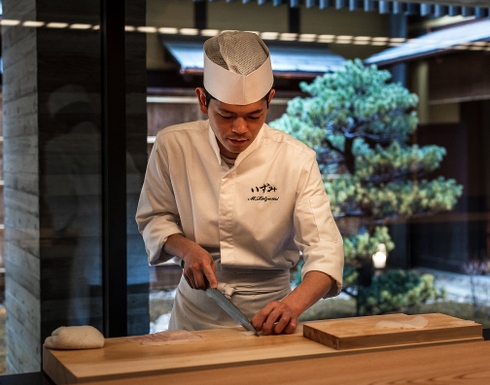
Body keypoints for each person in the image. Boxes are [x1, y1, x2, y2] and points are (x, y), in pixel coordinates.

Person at [136, 30, 344, 335]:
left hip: (271, 315)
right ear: (203, 100)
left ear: (270, 100)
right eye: (226, 115)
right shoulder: (173, 145)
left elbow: (325, 248)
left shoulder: (296, 159)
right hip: (195, 312)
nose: (240, 129)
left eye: (254, 116)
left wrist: (292, 305)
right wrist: (186, 249)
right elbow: (155, 217)